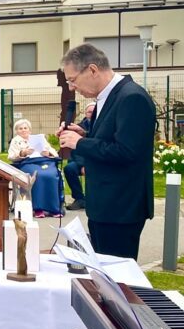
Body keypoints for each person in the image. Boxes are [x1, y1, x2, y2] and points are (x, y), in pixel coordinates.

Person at [58, 43, 155, 260]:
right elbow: (110, 139)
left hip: (120, 207)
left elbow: (126, 151)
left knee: (117, 280)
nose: (72, 87)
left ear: (92, 70)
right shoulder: (108, 96)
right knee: (104, 275)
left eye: (72, 80)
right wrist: (83, 134)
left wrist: (80, 144)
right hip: (105, 205)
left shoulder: (131, 97)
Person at [8, 119, 62, 218]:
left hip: (45, 161)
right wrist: (23, 153)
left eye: (25, 128)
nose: (23, 130)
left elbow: (53, 151)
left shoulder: (39, 139)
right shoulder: (15, 141)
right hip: (27, 163)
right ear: (17, 131)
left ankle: (54, 208)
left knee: (51, 175)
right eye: (20, 129)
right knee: (37, 176)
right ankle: (38, 208)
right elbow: (11, 156)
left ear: (30, 130)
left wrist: (48, 153)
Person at [63, 103, 96, 210]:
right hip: (80, 160)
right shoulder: (78, 127)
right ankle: (79, 199)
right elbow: (76, 149)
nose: (92, 114)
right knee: (69, 168)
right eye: (89, 112)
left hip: (97, 160)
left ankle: (93, 199)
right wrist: (82, 165)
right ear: (85, 114)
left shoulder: (101, 126)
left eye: (94, 111)